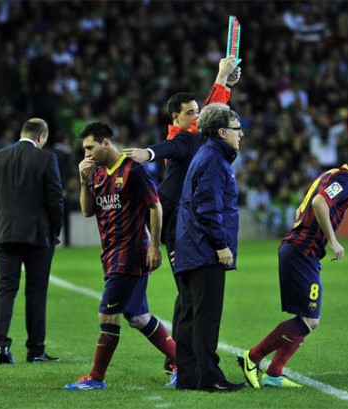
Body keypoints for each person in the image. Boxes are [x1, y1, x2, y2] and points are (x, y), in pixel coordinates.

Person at [122, 55, 240, 374]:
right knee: (188, 295)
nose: (196, 115)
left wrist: (224, 83)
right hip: (173, 222)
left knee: (187, 293)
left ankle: (178, 359)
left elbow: (212, 113)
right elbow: (164, 148)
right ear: (177, 117)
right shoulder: (182, 138)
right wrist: (146, 153)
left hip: (184, 221)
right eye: (190, 112)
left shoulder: (196, 134)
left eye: (197, 112)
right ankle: (182, 361)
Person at [237, 149, 348, 388]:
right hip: (301, 252)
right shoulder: (346, 180)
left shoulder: (331, 174)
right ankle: (253, 357)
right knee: (310, 320)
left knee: (305, 318)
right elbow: (319, 203)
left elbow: (304, 205)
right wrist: (332, 240)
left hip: (300, 250)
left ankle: (275, 374)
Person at [64, 122, 177, 390]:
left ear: (106, 143)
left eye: (90, 147)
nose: (87, 154)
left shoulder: (133, 171)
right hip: (110, 253)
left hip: (131, 252)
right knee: (137, 316)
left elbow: (155, 207)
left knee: (107, 315)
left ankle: (95, 378)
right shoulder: (98, 173)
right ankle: (185, 363)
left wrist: (155, 246)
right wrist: (83, 182)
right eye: (84, 149)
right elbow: (88, 211)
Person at [173, 103, 246, 392]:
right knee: (206, 317)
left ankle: (189, 377)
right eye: (237, 129)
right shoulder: (214, 160)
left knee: (190, 316)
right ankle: (210, 378)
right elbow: (207, 207)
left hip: (193, 247)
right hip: (205, 250)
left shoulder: (207, 156)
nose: (241, 135)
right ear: (221, 132)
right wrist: (221, 245)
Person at [0, 118, 63, 364]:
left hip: (5, 235)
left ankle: (2, 346)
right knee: (36, 292)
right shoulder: (47, 159)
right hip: (39, 236)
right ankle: (36, 350)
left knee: (5, 289)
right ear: (42, 137)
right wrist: (54, 231)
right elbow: (55, 199)